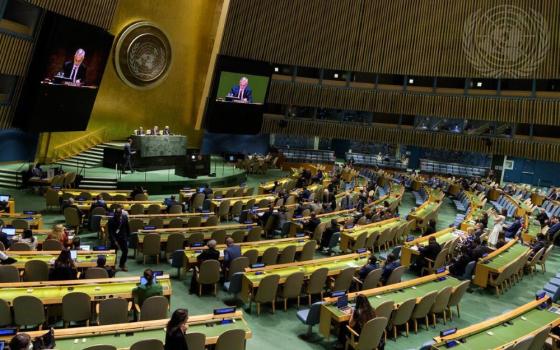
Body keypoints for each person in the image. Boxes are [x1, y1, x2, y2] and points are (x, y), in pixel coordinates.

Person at [107, 206, 130, 271]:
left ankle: (122, 264)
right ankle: (112, 265)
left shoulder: (124, 218)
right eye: (115, 213)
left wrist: (127, 237)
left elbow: (127, 228)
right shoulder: (111, 220)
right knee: (113, 253)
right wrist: (114, 241)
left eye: (118, 213)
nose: (116, 215)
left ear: (120, 214)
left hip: (123, 237)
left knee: (125, 251)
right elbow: (110, 232)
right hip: (114, 238)